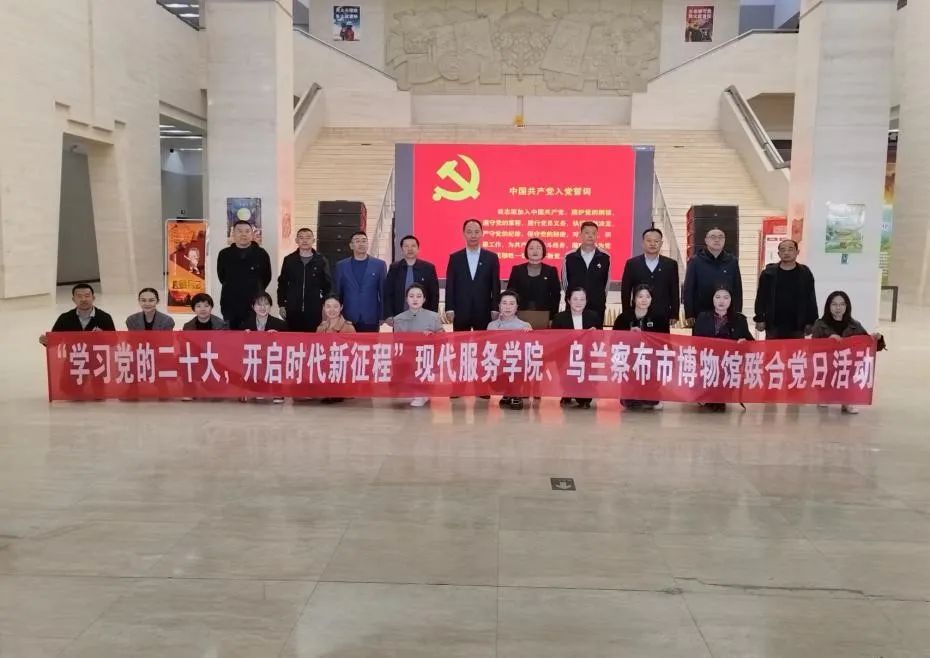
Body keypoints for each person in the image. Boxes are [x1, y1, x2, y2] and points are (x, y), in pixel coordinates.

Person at [810, 290, 883, 415]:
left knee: (851, 366)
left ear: (847, 306)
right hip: (828, 365)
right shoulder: (820, 324)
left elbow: (867, 344)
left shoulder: (854, 325)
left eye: (842, 304)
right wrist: (828, 341)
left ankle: (847, 399)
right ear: (828, 306)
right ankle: (824, 394)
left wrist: (877, 338)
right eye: (834, 304)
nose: (838, 308)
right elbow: (812, 348)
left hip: (847, 365)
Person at [693, 286, 753, 412]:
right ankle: (706, 394)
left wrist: (745, 343)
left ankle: (718, 397)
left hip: (728, 364)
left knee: (719, 399)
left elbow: (751, 343)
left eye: (726, 297)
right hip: (707, 363)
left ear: (731, 300)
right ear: (712, 299)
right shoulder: (702, 317)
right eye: (718, 297)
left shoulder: (739, 320)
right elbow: (695, 342)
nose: (721, 301)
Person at [613, 284, 670, 410]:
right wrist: (628, 335)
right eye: (640, 296)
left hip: (651, 362)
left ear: (652, 299)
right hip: (629, 361)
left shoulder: (659, 318)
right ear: (634, 299)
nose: (644, 300)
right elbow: (614, 340)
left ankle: (652, 394)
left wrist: (645, 336)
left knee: (651, 401)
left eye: (648, 297)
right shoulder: (623, 318)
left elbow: (665, 343)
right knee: (629, 402)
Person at [392, 283, 444, 408]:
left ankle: (422, 392)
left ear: (424, 299)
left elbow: (443, 337)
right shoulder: (398, 319)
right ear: (406, 299)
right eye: (411, 296)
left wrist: (433, 336)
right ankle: (415, 391)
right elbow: (397, 342)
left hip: (428, 357)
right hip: (408, 356)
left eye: (419, 296)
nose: (415, 299)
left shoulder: (433, 316)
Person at [444, 219, 501, 331]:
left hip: (484, 310)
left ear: (482, 233)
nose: (473, 235)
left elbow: (495, 285)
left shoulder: (491, 257)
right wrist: (449, 308)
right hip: (461, 310)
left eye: (476, 232)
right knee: (460, 340)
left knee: (484, 340)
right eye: (469, 232)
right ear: (464, 234)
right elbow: (450, 285)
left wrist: (495, 308)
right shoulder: (455, 258)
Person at [754, 239, 818, 339]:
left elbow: (811, 298)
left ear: (797, 252)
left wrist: (811, 321)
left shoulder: (805, 273)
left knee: (797, 349)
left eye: (790, 249)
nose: (786, 252)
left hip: (797, 325)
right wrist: (759, 318)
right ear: (778, 254)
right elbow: (761, 297)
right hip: (773, 325)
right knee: (773, 349)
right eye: (783, 250)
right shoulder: (768, 273)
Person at [551, 287, 601, 409]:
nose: (579, 302)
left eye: (582, 299)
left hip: (587, 358)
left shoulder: (593, 316)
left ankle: (583, 395)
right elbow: (555, 341)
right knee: (568, 383)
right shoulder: (559, 318)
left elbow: (601, 339)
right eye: (575, 299)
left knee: (584, 399)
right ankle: (567, 392)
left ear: (586, 301)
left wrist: (595, 334)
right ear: (568, 300)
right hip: (566, 358)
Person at [217, 220, 272, 330]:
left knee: (254, 336)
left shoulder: (261, 254)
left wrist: (255, 288)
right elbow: (222, 277)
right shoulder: (224, 254)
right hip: (230, 304)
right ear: (233, 234)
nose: (243, 234)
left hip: (254, 304)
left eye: (247, 231)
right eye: (239, 231)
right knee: (232, 336)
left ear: (252, 234)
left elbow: (267, 277)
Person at [682, 227, 743, 327]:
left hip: (726, 315)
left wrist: (737, 313)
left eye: (720, 237)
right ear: (706, 240)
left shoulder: (732, 261)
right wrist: (689, 314)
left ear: (724, 240)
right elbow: (688, 289)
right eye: (713, 237)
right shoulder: (695, 261)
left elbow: (737, 289)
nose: (717, 240)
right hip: (700, 314)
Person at [620, 228, 680, 326]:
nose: (652, 244)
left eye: (656, 241)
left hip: (662, 314)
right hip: (638, 314)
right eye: (649, 241)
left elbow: (674, 290)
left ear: (661, 243)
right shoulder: (632, 264)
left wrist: (674, 313)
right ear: (643, 243)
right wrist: (626, 312)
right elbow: (625, 290)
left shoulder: (670, 264)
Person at [277, 227, 331, 333]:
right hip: (292, 309)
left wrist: (325, 306)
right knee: (293, 338)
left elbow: (327, 286)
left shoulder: (321, 260)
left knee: (313, 339)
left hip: (314, 310)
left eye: (308, 237)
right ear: (297, 240)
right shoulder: (289, 260)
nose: (305, 240)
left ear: (313, 240)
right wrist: (281, 305)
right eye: (301, 238)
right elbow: (282, 284)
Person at [487, 289, 533, 410]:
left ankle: (516, 393)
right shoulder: (492, 326)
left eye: (512, 303)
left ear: (517, 307)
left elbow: (530, 352)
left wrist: (530, 335)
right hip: (499, 364)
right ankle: (507, 392)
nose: (508, 307)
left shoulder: (525, 326)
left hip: (517, 365)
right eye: (504, 303)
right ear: (499, 306)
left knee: (517, 363)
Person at [333, 231, 387, 333]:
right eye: (357, 241)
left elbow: (383, 292)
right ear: (351, 245)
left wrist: (382, 316)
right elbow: (338, 293)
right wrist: (336, 315)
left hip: (371, 317)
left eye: (364, 241)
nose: (361, 244)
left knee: (370, 343)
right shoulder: (341, 266)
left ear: (367, 244)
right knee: (348, 343)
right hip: (347, 317)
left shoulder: (379, 265)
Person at [240, 292, 287, 404]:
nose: (262, 307)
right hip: (255, 360)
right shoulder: (245, 324)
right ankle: (255, 388)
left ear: (270, 306)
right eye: (259, 304)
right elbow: (238, 347)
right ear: (253, 306)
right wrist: (244, 337)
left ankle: (277, 390)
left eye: (266, 304)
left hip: (272, 359)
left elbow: (288, 345)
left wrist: (278, 337)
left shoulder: (280, 324)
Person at [563, 221, 610, 327]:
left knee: (596, 335)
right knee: (574, 335)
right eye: (587, 232)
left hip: (597, 305)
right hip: (574, 305)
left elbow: (606, 284)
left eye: (594, 233)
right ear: (580, 235)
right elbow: (565, 284)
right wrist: (573, 298)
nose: (590, 236)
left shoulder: (605, 257)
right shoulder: (569, 257)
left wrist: (598, 297)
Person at [383, 235, 439, 323]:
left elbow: (434, 295)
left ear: (418, 249)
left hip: (423, 318)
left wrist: (432, 315)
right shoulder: (394, 268)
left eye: (413, 246)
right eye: (406, 246)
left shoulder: (428, 268)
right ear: (402, 249)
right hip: (399, 317)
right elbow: (388, 293)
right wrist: (389, 314)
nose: (410, 249)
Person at [39, 283, 116, 346]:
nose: (83, 299)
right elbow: (54, 341)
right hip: (72, 359)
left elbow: (114, 343)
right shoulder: (65, 318)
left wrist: (104, 336)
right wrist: (45, 341)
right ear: (73, 299)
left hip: (98, 359)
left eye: (87, 296)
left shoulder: (105, 318)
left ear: (93, 298)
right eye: (79, 296)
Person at [507, 238, 561, 325]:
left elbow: (556, 296)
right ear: (526, 251)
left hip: (544, 314)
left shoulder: (551, 271)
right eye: (531, 248)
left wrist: (552, 317)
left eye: (538, 248)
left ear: (543, 251)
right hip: (520, 314)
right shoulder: (517, 270)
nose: (535, 251)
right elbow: (510, 294)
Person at [317, 294, 356, 404]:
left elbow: (353, 355)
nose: (332, 310)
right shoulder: (320, 328)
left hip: (342, 369)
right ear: (323, 308)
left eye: (335, 306)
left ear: (341, 307)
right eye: (328, 306)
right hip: (325, 370)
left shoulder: (348, 327)